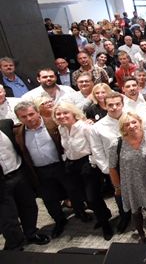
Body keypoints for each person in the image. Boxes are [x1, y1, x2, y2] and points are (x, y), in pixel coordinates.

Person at [14, 101, 91, 238]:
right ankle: (59, 220)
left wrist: (87, 122)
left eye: (31, 114)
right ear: (19, 118)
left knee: (72, 190)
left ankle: (81, 212)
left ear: (38, 112)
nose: (29, 118)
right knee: (49, 198)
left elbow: (73, 125)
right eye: (24, 116)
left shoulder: (54, 123)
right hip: (39, 171)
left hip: (60, 165)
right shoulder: (17, 132)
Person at [52, 102, 114, 240]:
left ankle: (106, 225)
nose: (62, 116)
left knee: (93, 197)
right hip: (72, 165)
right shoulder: (61, 128)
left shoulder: (85, 127)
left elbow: (95, 147)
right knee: (85, 198)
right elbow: (66, 148)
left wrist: (93, 164)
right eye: (58, 114)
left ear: (73, 113)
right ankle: (104, 214)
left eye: (65, 113)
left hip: (88, 164)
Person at [109, 112, 146, 243]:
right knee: (135, 212)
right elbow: (112, 167)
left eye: (134, 122)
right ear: (122, 128)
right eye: (126, 124)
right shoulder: (116, 144)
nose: (131, 126)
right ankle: (141, 233)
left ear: (140, 122)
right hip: (130, 184)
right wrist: (117, 187)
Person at [0, 118, 50, 250]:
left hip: (19, 174)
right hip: (1, 184)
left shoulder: (6, 125)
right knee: (7, 217)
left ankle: (31, 233)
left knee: (29, 207)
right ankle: (15, 245)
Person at [89, 92, 132, 233]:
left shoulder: (132, 119)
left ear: (122, 104)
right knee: (119, 193)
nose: (114, 107)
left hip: (134, 162)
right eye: (110, 105)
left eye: (117, 104)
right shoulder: (98, 127)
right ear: (105, 106)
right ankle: (124, 215)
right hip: (114, 167)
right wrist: (106, 169)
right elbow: (96, 149)